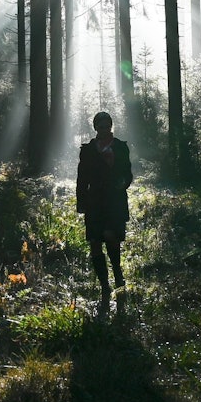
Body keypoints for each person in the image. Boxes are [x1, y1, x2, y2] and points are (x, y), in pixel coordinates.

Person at [76, 111, 133, 309]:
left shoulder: (120, 147)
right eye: (100, 126)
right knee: (94, 242)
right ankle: (104, 285)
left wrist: (122, 183)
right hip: (94, 201)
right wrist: (81, 201)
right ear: (95, 128)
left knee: (112, 236)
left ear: (111, 126)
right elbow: (81, 177)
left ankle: (118, 276)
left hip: (114, 200)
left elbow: (128, 173)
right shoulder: (88, 149)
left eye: (106, 125)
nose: (103, 129)